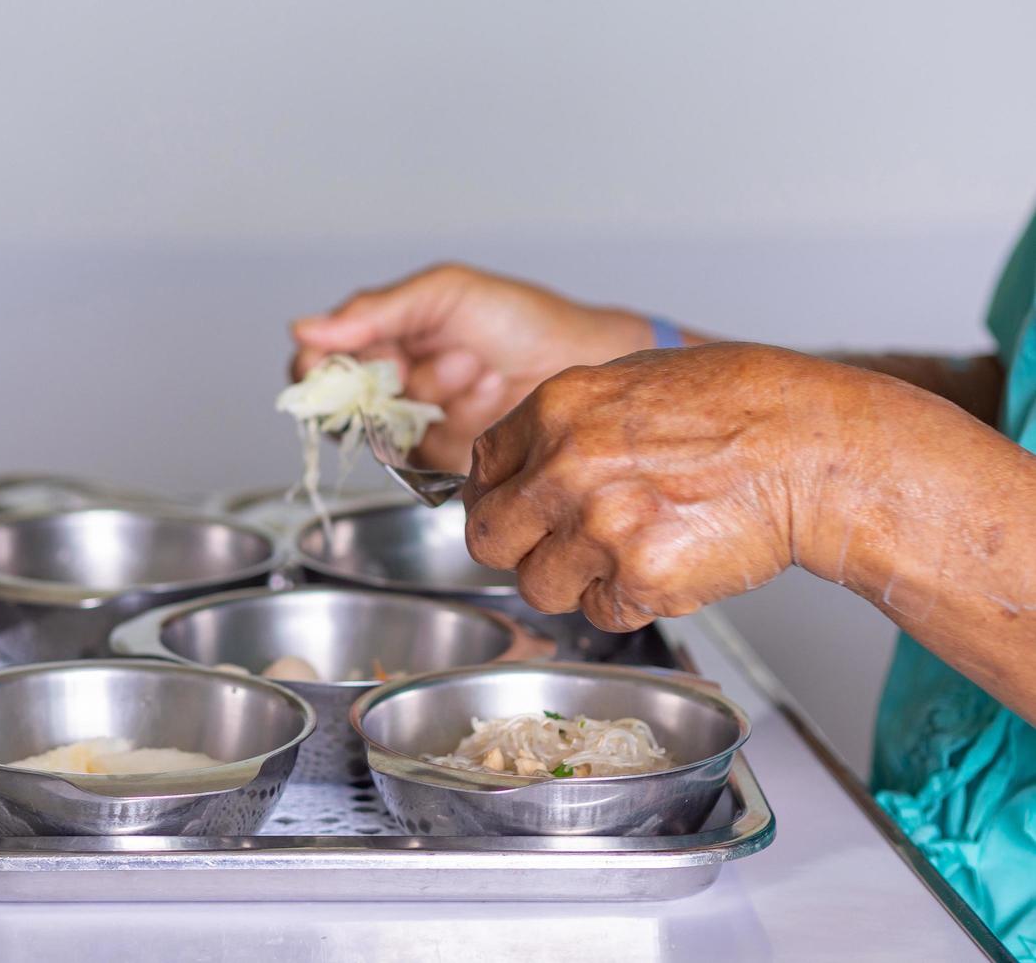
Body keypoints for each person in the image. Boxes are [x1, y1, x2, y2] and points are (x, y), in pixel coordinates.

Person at [290, 213, 1036, 958]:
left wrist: (829, 461)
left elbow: (851, 448)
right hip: (918, 892)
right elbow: (1013, 408)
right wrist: (637, 379)